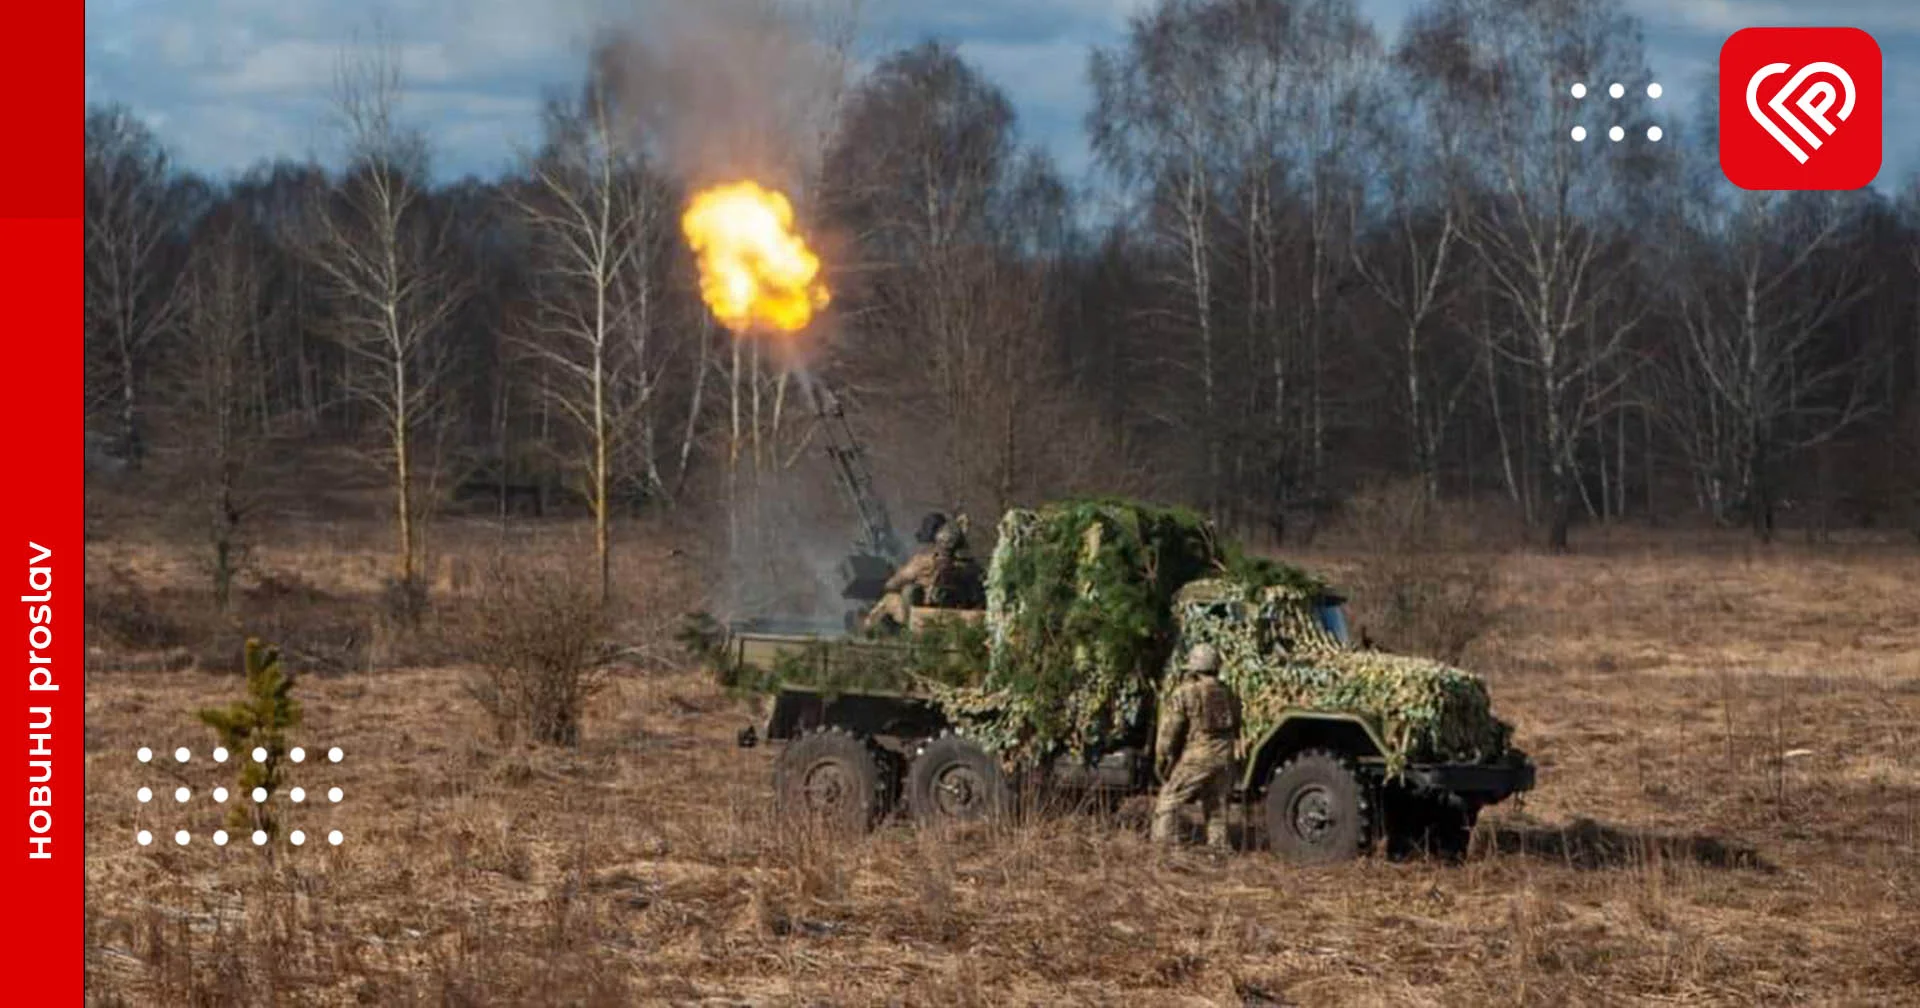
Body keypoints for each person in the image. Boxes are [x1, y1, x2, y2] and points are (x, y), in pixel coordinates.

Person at [1151, 643, 1242, 850]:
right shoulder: (1228, 693)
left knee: (1169, 799)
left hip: (1199, 754)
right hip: (1225, 756)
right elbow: (1236, 724)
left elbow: (1169, 731)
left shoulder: (1185, 692)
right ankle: (1219, 853)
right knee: (1216, 808)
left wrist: (1162, 758)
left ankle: (1165, 850)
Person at [863, 517, 981, 633]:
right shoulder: (972, 568)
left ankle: (865, 635)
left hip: (925, 618)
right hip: (962, 620)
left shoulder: (923, 562)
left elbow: (894, 583)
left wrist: (887, 584)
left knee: (890, 599)